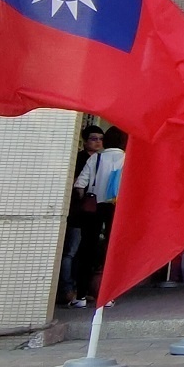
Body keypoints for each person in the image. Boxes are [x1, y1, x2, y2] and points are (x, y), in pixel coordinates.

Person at [71, 126, 125, 306]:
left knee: (87, 250)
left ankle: (81, 297)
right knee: (110, 251)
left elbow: (80, 184)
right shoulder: (127, 158)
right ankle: (107, 295)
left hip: (94, 208)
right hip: (116, 208)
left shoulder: (96, 157)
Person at [61, 124, 104, 307]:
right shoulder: (79, 160)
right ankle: (67, 290)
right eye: (94, 139)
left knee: (85, 252)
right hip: (78, 212)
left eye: (101, 139)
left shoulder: (101, 160)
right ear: (84, 141)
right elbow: (77, 186)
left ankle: (81, 289)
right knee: (71, 252)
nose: (98, 143)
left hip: (91, 213)